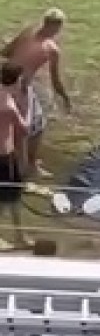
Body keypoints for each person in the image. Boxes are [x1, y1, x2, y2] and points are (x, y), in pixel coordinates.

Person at [1, 8, 74, 178]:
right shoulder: (51, 49)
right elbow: (55, 80)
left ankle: (21, 160)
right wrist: (65, 98)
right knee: (35, 126)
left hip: (5, 79)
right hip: (21, 87)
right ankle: (29, 165)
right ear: (56, 27)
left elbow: (5, 52)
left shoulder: (27, 32)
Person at [0, 62, 31, 249]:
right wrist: (28, 109)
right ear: (16, 80)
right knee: (8, 199)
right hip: (4, 157)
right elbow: (25, 129)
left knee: (12, 197)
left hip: (5, 156)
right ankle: (18, 236)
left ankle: (20, 235)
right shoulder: (8, 105)